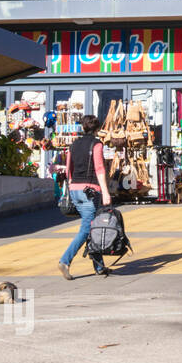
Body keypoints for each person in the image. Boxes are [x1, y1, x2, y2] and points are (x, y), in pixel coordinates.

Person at [58, 115, 114, 280]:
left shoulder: (73, 145)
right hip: (90, 190)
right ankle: (64, 261)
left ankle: (99, 266)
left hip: (75, 189)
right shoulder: (96, 145)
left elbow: (69, 169)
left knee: (92, 227)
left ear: (83, 128)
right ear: (97, 129)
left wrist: (70, 186)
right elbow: (99, 168)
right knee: (86, 229)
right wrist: (105, 191)